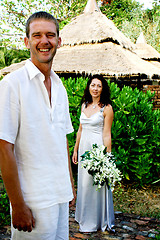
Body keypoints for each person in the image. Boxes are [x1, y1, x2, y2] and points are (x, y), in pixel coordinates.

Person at [0, 11, 76, 240]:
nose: (45, 41)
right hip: (33, 200)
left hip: (60, 196)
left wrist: (69, 187)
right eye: (37, 35)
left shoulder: (59, 85)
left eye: (50, 35)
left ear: (59, 41)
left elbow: (62, 139)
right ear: (27, 41)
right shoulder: (12, 85)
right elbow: (4, 147)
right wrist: (18, 205)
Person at [72, 74, 115, 232]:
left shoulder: (107, 108)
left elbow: (106, 134)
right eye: (93, 85)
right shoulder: (84, 105)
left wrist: (107, 157)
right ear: (88, 87)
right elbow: (80, 129)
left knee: (96, 184)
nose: (95, 89)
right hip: (84, 148)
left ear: (103, 89)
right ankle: (84, 215)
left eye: (99, 86)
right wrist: (75, 149)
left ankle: (96, 220)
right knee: (84, 183)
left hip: (97, 150)